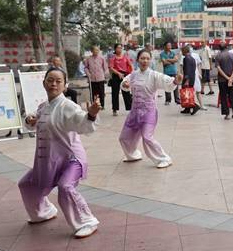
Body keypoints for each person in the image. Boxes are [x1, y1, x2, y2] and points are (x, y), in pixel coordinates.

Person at [18, 67, 102, 238]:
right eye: (50, 80)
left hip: (72, 159)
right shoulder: (43, 106)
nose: (54, 84)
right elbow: (33, 121)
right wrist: (29, 119)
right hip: (50, 161)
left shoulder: (68, 106)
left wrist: (91, 114)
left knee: (65, 186)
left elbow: (82, 123)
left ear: (65, 85)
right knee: (26, 184)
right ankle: (43, 212)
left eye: (58, 81)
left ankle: (87, 221)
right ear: (44, 83)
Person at [119, 49, 181, 168]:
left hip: (148, 112)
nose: (145, 61)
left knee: (147, 137)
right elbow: (125, 83)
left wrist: (175, 81)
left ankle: (164, 158)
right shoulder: (133, 75)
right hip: (134, 112)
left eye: (147, 58)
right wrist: (125, 85)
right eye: (142, 58)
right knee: (124, 137)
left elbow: (167, 82)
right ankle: (133, 155)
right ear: (138, 60)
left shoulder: (154, 75)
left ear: (150, 60)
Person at [215, 43, 233, 120]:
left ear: (219, 48)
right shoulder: (232, 55)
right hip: (232, 79)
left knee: (223, 96)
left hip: (222, 80)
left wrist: (227, 78)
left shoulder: (218, 56)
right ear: (227, 47)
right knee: (232, 95)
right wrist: (231, 78)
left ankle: (227, 114)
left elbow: (219, 69)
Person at [108, 44, 133, 116]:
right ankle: (115, 109)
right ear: (115, 49)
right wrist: (118, 73)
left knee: (126, 92)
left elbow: (130, 65)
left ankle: (130, 109)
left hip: (124, 76)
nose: (120, 49)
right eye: (118, 48)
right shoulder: (113, 58)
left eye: (121, 48)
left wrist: (131, 74)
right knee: (115, 93)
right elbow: (111, 68)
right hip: (116, 76)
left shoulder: (125, 57)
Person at [179, 46, 201, 116]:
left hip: (187, 79)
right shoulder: (192, 58)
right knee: (188, 93)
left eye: (182, 51)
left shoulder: (186, 59)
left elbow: (187, 70)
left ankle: (195, 106)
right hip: (192, 78)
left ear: (185, 51)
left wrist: (186, 80)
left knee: (186, 94)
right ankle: (187, 109)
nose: (181, 52)